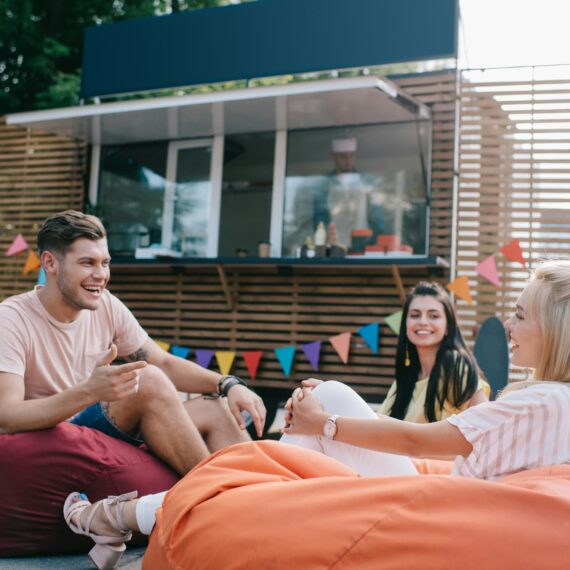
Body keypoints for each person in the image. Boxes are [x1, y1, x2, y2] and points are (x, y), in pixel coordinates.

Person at [63, 259, 570, 569]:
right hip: (446, 492)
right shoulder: (551, 400)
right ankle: (137, 513)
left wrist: (321, 423)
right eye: (413, 314)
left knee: (323, 398)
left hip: (440, 498)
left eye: (521, 314)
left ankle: (128, 514)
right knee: (316, 413)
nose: (509, 322)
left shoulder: (527, 395)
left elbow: (422, 442)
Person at [0, 210, 266, 480]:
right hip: (58, 436)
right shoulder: (12, 318)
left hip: (99, 427)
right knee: (146, 380)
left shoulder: (105, 304)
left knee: (216, 409)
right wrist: (89, 392)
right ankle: (212, 492)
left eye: (105, 263)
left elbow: (163, 361)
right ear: (50, 263)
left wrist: (228, 383)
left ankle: (261, 498)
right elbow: (6, 415)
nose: (101, 275)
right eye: (87, 263)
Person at [312, 137, 385, 249]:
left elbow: (376, 218)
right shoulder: (325, 185)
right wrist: (324, 240)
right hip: (335, 247)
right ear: (333, 156)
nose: (348, 160)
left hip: (363, 245)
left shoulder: (365, 181)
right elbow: (320, 218)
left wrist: (377, 244)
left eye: (351, 155)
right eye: (343, 156)